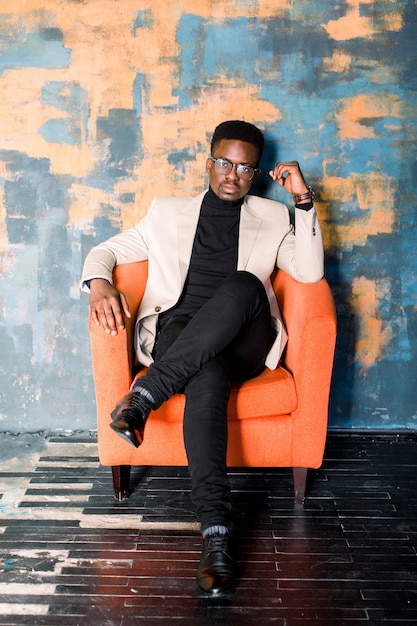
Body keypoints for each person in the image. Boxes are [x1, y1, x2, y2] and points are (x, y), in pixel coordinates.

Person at [81, 120, 324, 595]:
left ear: (256, 173)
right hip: (181, 335)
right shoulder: (167, 213)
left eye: (245, 168)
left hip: (246, 339)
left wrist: (303, 200)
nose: (232, 175)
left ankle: (146, 394)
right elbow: (106, 250)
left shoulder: (274, 218)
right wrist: (100, 284)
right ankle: (216, 534)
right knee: (206, 375)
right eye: (224, 163)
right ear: (209, 161)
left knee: (244, 283)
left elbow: (311, 272)